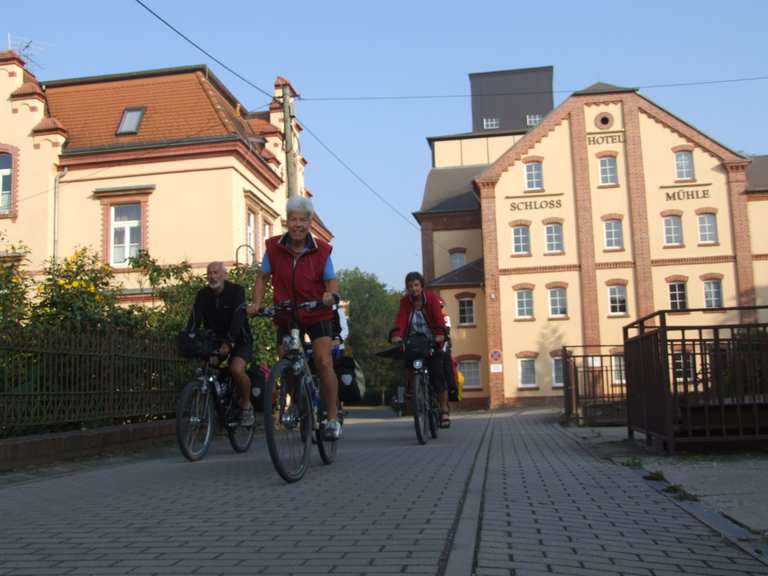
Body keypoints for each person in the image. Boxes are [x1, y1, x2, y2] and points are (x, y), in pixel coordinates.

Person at [248, 196, 342, 440]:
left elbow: (331, 279)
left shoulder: (321, 250)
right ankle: (294, 403)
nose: (297, 224)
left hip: (316, 311)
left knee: (322, 361)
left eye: (302, 219)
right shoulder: (274, 248)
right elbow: (261, 277)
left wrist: (330, 295)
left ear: (310, 222)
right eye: (293, 219)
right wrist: (257, 304)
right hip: (287, 312)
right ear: (287, 222)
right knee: (285, 359)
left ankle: (331, 418)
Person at [187, 261, 254, 426]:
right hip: (214, 341)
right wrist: (189, 338)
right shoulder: (202, 295)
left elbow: (238, 319)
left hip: (239, 339)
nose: (212, 276)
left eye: (216, 273)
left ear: (225, 275)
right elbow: (194, 320)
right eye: (209, 273)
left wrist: (230, 343)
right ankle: (215, 406)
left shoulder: (236, 291)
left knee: (236, 369)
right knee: (205, 370)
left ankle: (246, 404)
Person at [390, 271, 451, 427]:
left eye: (416, 285)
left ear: (422, 286)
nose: (413, 289)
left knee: (438, 374)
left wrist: (439, 335)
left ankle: (443, 410)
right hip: (414, 341)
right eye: (410, 286)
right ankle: (413, 391)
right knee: (407, 363)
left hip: (432, 340)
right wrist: (397, 335)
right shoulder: (405, 302)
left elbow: (438, 319)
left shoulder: (431, 299)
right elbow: (401, 320)